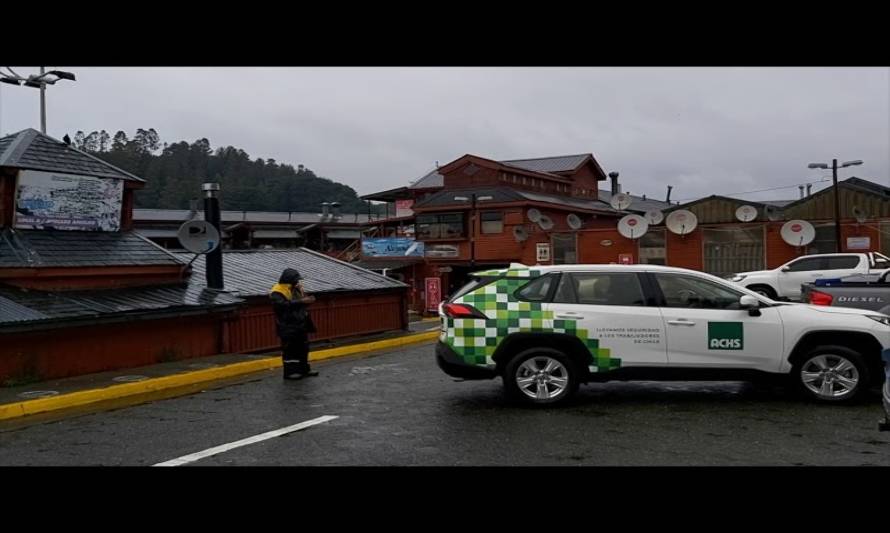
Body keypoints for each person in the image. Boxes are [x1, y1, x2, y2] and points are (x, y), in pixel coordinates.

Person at [270, 268, 318, 379]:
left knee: (303, 348)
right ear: (289, 280)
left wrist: (307, 300)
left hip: (301, 323)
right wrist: (301, 301)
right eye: (296, 280)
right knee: (290, 349)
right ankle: (290, 372)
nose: (298, 282)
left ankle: (304, 370)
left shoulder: (296, 289)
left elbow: (300, 303)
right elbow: (282, 305)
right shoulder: (277, 291)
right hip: (287, 325)